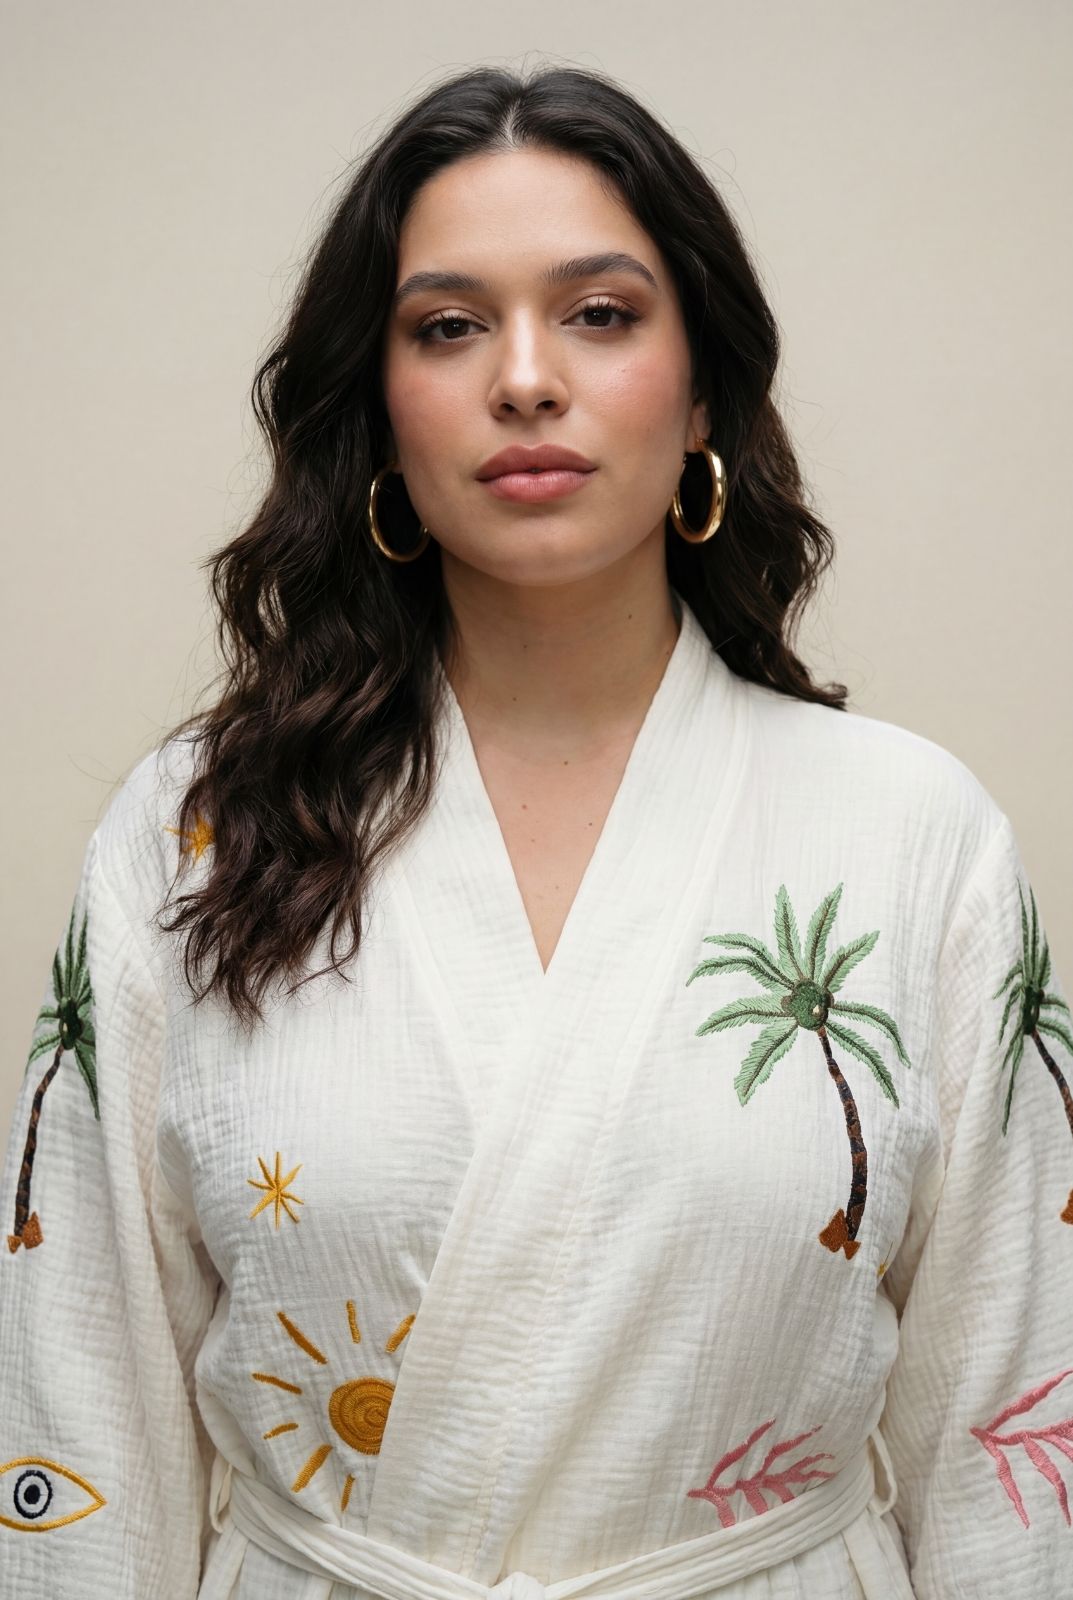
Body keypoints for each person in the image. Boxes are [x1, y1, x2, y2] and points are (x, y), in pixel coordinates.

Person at [1, 61, 1070, 1600]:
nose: (523, 378)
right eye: (446, 325)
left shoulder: (910, 836)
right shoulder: (199, 834)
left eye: (600, 314)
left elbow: (1015, 1419)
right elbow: (74, 1383)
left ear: (701, 386)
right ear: (373, 403)